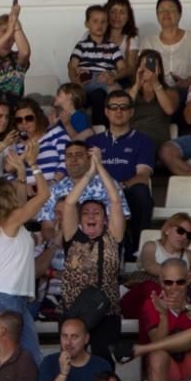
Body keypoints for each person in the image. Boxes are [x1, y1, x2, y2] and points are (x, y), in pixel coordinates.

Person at [0, 142, 50, 364]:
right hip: (6, 298)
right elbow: (44, 195)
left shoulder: (3, 223)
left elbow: (21, 199)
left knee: (29, 358)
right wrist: (33, 164)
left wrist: (21, 171)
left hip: (6, 298)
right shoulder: (11, 220)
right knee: (17, 359)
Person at [59, 149, 126, 365]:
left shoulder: (112, 236)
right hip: (73, 310)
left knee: (101, 357)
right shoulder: (72, 235)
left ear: (105, 220)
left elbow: (115, 201)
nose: (90, 215)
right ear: (79, 219)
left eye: (96, 213)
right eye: (86, 213)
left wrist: (99, 167)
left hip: (106, 311)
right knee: (72, 358)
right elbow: (69, 203)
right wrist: (88, 174)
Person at [87, 90, 154, 260]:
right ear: (106, 111)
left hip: (126, 191)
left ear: (131, 112)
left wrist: (118, 188)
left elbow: (143, 175)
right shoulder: (93, 142)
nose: (118, 112)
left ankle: (137, 248)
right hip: (97, 194)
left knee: (141, 191)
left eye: (124, 107)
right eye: (114, 107)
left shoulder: (143, 140)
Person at [35, 141, 131, 230]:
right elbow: (47, 226)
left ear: (89, 159)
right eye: (69, 156)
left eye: (79, 155)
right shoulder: (55, 189)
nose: (73, 159)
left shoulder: (107, 184)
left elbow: (119, 222)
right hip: (63, 244)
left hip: (102, 243)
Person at [138, 259, 191, 381]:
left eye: (180, 282)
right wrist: (163, 315)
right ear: (161, 282)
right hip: (168, 367)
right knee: (157, 355)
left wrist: (187, 307)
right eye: (168, 282)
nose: (174, 287)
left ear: (188, 279)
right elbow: (158, 343)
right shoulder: (152, 303)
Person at [121, 213, 191, 319]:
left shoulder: (189, 255)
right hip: (143, 299)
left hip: (172, 304)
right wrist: (183, 275)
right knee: (151, 287)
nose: (184, 237)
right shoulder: (151, 246)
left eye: (189, 235)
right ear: (167, 230)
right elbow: (150, 266)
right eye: (180, 231)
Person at [68, 5, 127, 126]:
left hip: (103, 79)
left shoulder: (112, 47)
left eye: (103, 22)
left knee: (118, 93)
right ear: (87, 24)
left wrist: (113, 76)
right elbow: (72, 66)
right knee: (70, 95)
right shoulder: (82, 45)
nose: (99, 25)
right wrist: (76, 82)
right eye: (95, 21)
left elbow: (122, 68)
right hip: (86, 79)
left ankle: (117, 123)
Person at [140, 0, 191, 94]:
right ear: (157, 16)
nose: (166, 13)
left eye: (171, 9)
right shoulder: (148, 41)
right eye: (161, 10)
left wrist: (188, 81)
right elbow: (143, 71)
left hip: (187, 90)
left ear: (179, 14)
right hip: (157, 92)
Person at [8, 98, 68, 185]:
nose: (24, 123)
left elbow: (66, 161)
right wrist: (22, 186)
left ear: (38, 117)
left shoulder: (55, 133)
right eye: (19, 120)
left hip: (55, 187)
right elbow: (8, 172)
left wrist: (53, 182)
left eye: (29, 118)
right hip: (26, 191)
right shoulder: (15, 144)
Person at [130, 49, 179, 155]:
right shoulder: (129, 91)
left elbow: (169, 110)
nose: (147, 68)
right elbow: (123, 109)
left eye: (152, 65)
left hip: (157, 142)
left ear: (159, 70)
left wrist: (155, 83)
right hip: (132, 142)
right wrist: (137, 86)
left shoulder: (170, 92)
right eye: (144, 65)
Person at [104, 0, 140, 77]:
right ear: (106, 14)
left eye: (122, 12)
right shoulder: (94, 34)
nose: (117, 16)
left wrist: (114, 76)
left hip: (121, 79)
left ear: (128, 17)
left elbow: (131, 68)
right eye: (113, 12)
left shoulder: (132, 39)